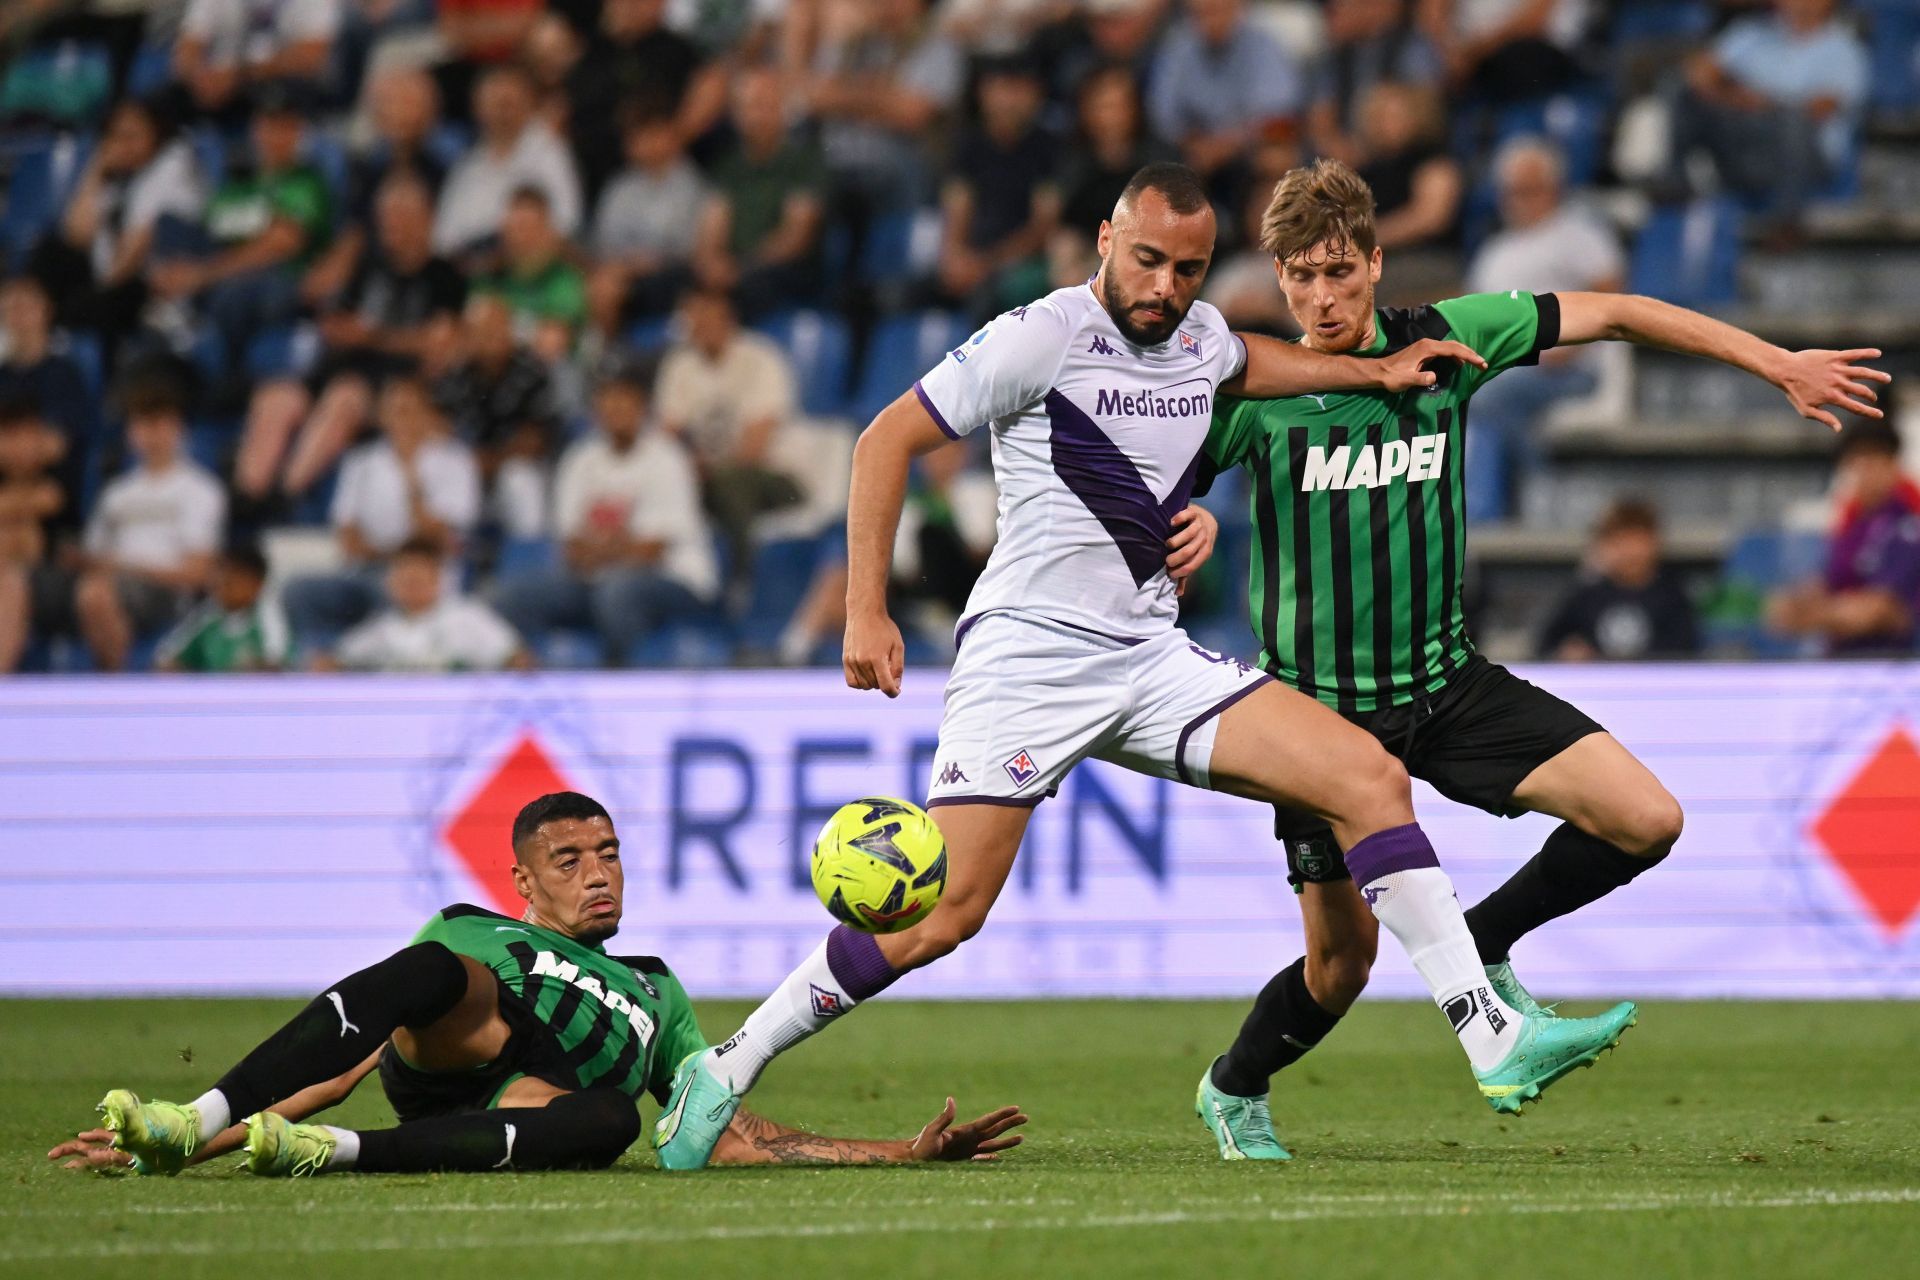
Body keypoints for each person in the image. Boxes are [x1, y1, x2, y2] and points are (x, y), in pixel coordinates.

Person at [650, 162, 1638, 1174]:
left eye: (1190, 268)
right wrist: (865, 607)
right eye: (1150, 259)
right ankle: (724, 1066)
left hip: (1150, 653)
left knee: (1367, 776)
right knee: (946, 913)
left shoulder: (1202, 335)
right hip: (1030, 656)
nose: (1167, 285)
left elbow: (1251, 358)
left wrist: (1374, 372)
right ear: (1106, 241)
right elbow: (885, 436)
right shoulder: (1044, 333)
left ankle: (1490, 1032)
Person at [1181, 156, 1886, 1160]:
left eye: (1340, 271)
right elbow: (1153, 488)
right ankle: (1234, 1084)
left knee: (1647, 818)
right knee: (1341, 968)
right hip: (1320, 724)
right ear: (1279, 280)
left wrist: (1772, 361)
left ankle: (1486, 939)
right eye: (1301, 276)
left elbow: (1622, 311)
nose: (1323, 296)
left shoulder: (1453, 335)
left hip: (1447, 684)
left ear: (1378, 263)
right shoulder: (1257, 391)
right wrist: (1186, 521)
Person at [74, 792, 1026, 1176]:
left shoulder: (657, 989)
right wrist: (193, 1149)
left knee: (614, 1119)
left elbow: (723, 1128)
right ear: (523, 882)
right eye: (569, 859)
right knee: (430, 971)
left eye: (608, 853)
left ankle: (334, 1154)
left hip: (533, 1102)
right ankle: (188, 1118)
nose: (598, 872)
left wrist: (896, 1153)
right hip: (463, 1041)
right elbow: (345, 1053)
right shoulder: (474, 931)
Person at [236, 174, 466, 509]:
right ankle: (246, 500)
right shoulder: (368, 268)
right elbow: (327, 308)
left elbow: (439, 341)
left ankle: (285, 496)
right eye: (385, 217)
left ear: (426, 220)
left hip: (397, 387)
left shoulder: (445, 277)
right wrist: (339, 330)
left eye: (400, 217)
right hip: (341, 365)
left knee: (345, 396)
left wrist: (374, 337)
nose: (390, 226)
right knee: (277, 396)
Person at [495, 362, 717, 663]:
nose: (616, 409)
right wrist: (613, 548)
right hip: (594, 582)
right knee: (511, 598)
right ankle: (541, 689)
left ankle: (624, 690)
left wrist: (599, 550)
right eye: (608, 401)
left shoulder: (667, 457)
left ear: (643, 408)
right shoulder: (581, 458)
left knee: (618, 592)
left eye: (625, 401)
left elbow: (651, 551)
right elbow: (571, 547)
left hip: (675, 580)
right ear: (595, 409)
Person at [1462, 136, 1623, 521]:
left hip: (1570, 366)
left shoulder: (1579, 236)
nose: (1517, 200)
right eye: (1510, 192)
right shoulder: (1494, 252)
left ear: (1553, 189)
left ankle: (1538, 489)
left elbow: (1611, 297)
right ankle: (1479, 510)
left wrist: (1569, 346)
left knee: (1488, 398)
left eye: (1527, 191)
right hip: (1505, 366)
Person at [145, 85, 333, 376]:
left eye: (284, 126)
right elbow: (206, 231)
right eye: (267, 125)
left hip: (275, 279)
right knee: (169, 222)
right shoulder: (238, 185)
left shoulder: (305, 182)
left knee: (234, 292)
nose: (273, 135)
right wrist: (176, 272)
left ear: (297, 132)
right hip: (214, 269)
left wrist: (203, 275)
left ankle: (226, 373)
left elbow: (280, 245)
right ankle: (176, 311)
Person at [281, 375, 479, 644]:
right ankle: (318, 666)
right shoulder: (361, 461)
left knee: (400, 590)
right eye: (394, 411)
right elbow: (349, 539)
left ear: (427, 413)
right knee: (298, 592)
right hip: (366, 573)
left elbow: (437, 539)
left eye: (409, 410)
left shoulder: (454, 461)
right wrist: (391, 556)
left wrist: (411, 474)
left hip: (429, 577)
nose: (402, 419)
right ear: (381, 417)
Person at [1669, 0, 1870, 236]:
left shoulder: (1845, 49)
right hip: (1742, 142)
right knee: (1681, 93)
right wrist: (1737, 97)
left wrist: (1759, 101)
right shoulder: (1750, 33)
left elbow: (1819, 109)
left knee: (1792, 120)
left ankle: (1786, 220)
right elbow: (1698, 75)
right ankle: (1676, 191)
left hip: (1803, 157)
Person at [71, 379, 227, 671]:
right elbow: (94, 557)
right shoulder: (116, 494)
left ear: (178, 427)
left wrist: (126, 567)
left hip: (167, 592)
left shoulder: (201, 490)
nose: (151, 435)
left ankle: (114, 682)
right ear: (130, 432)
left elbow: (198, 572)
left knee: (95, 594)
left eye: (159, 424)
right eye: (142, 424)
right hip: (112, 584)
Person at [653, 286, 803, 585]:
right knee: (659, 473)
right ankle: (680, 579)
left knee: (730, 479)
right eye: (693, 317)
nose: (700, 323)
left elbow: (755, 445)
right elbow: (668, 436)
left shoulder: (760, 357)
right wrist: (687, 467)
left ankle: (744, 578)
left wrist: (704, 469)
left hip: (773, 475)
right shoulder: (680, 365)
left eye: (708, 315)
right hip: (706, 475)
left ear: (728, 317)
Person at [1766, 422, 1920, 656]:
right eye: (1856, 464)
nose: (1864, 474)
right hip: (1841, 658)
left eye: (1872, 463)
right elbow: (1824, 585)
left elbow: (1879, 611)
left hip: (1890, 662)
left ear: (1892, 465)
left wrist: (1814, 615)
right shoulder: (1853, 527)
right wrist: (1795, 602)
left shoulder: (1906, 525)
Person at [690, 65, 825, 313]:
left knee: (750, 287)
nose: (757, 115)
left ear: (783, 107)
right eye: (749, 107)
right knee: (683, 281)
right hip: (733, 270)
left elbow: (795, 239)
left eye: (765, 104)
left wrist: (742, 267)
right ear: (735, 114)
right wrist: (711, 263)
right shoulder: (728, 166)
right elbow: (712, 227)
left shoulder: (806, 161)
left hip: (783, 271)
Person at [934, 54, 1060, 319]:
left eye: (1018, 89)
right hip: (973, 257)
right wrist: (954, 255)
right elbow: (957, 207)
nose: (1008, 100)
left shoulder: (1048, 149)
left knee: (997, 294)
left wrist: (986, 265)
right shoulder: (969, 146)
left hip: (1020, 263)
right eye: (1000, 88)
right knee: (894, 295)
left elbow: (1042, 228)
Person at [1148, 0, 1304, 192]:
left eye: (1218, 10)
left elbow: (1277, 110)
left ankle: (1264, 219)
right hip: (1193, 151)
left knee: (1275, 155)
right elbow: (1163, 114)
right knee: (1157, 160)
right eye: (1203, 13)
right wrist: (1197, 145)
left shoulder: (1262, 44)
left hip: (1247, 150)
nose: (1211, 20)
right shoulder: (1179, 46)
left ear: (1237, 8)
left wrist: (1223, 147)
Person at [432, 64, 582, 260]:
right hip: (475, 270)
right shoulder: (468, 165)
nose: (501, 112)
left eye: (508, 103)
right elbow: (443, 240)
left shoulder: (551, 152)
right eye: (494, 103)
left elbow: (566, 223)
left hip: (532, 269)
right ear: (478, 108)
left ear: (529, 103)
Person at [321, 536, 530, 673]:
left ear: (437, 580)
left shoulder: (467, 616)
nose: (410, 587)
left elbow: (517, 659)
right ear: (391, 584)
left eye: (417, 580)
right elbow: (338, 660)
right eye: (403, 581)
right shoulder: (384, 626)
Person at [589, 104, 709, 326]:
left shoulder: (691, 184)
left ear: (672, 136)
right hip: (627, 276)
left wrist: (651, 261)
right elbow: (604, 244)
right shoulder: (619, 188)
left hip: (674, 274)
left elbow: (689, 245)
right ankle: (605, 353)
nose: (649, 144)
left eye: (656, 134)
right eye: (640, 137)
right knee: (602, 284)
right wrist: (630, 264)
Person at [1537, 499, 1700, 661]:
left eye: (1638, 541)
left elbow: (1682, 653)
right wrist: (1567, 652)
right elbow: (1546, 646)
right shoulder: (1585, 597)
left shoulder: (1672, 598)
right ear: (1604, 545)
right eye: (1620, 541)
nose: (1631, 552)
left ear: (1655, 542)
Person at [472, 186, 587, 360]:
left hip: (553, 375)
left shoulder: (565, 279)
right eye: (515, 227)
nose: (520, 238)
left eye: (528, 227)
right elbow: (475, 328)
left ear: (547, 231)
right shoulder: (489, 278)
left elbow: (554, 341)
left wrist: (502, 330)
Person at [0, 395, 68, 673]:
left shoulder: (61, 476)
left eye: (28, 435)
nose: (20, 446)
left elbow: (51, 500)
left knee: (13, 577)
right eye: (10, 436)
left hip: (49, 581)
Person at [155, 543, 291, 672]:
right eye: (220, 577)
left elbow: (275, 663)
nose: (222, 584)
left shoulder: (269, 616)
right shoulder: (207, 616)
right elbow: (167, 658)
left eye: (232, 580)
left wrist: (244, 672)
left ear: (257, 583)